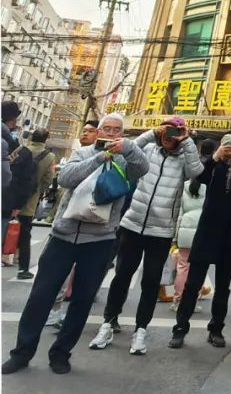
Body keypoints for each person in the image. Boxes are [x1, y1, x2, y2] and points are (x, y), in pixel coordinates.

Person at [2, 113, 149, 376]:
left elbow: (143, 167)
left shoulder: (126, 161)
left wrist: (127, 148)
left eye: (117, 130)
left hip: (100, 240)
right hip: (63, 235)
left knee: (82, 300)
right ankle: (21, 353)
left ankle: (61, 354)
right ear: (99, 131)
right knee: (41, 296)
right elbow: (67, 179)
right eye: (107, 128)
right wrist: (100, 157)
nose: (111, 133)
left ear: (122, 134)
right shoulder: (83, 153)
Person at [89, 114, 203, 356]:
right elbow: (127, 150)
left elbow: (197, 171)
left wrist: (187, 140)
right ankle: (108, 323)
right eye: (166, 130)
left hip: (161, 231)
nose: (169, 136)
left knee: (151, 282)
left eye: (175, 132)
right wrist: (152, 132)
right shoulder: (149, 149)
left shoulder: (184, 158)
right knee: (122, 276)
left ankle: (141, 330)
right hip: (133, 224)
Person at [169, 133, 231, 348]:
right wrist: (215, 157)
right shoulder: (213, 165)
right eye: (225, 142)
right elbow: (199, 178)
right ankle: (180, 328)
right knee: (193, 283)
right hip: (207, 229)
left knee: (223, 286)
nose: (229, 145)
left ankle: (216, 329)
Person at [43, 120, 100, 329]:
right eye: (83, 131)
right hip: (66, 222)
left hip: (92, 225)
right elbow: (64, 182)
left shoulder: (107, 158)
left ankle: (61, 310)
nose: (85, 134)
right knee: (56, 271)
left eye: (90, 131)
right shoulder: (79, 155)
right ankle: (52, 309)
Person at [172, 138, 218, 309]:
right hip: (204, 228)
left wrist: (175, 235)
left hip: (185, 227)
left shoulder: (187, 182)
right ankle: (191, 301)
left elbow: (179, 210)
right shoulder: (213, 179)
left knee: (182, 266)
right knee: (198, 268)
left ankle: (178, 299)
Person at [11, 129, 56, 278]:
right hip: (30, 200)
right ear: (46, 139)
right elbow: (48, 179)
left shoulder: (20, 150)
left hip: (11, 197)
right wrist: (37, 191)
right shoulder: (49, 156)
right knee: (25, 234)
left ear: (31, 137)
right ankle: (23, 269)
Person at [2, 100, 34, 227]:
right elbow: (25, 181)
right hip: (5, 206)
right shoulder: (22, 152)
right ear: (14, 120)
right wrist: (18, 205)